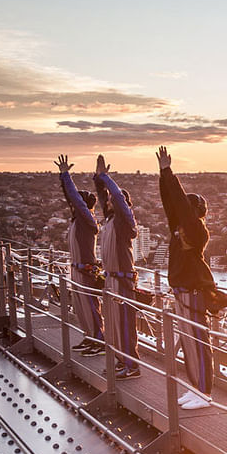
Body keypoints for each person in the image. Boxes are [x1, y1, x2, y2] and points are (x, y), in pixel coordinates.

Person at [157, 145, 214, 409]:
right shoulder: (180, 228)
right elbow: (171, 203)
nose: (180, 214)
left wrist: (170, 173)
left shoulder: (196, 230)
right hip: (182, 291)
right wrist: (162, 177)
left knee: (198, 342)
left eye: (187, 210)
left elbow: (178, 202)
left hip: (193, 293)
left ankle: (204, 392)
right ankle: (195, 387)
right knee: (189, 342)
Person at [94, 154, 141, 380]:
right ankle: (121, 361)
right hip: (111, 279)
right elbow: (104, 199)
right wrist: (98, 179)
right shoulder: (110, 219)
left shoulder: (124, 222)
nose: (110, 202)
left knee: (124, 325)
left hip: (122, 280)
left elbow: (118, 201)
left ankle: (131, 365)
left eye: (115, 199)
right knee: (112, 325)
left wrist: (107, 178)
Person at [55, 155, 105, 357]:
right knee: (81, 308)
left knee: (91, 307)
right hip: (76, 268)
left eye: (79, 204)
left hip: (85, 270)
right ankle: (89, 336)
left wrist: (67, 176)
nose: (74, 206)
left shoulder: (88, 221)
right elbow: (71, 198)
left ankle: (99, 340)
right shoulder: (77, 219)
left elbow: (74, 198)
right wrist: (62, 179)